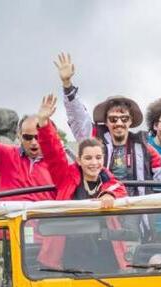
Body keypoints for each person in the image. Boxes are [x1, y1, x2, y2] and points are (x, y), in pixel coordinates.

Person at [54, 53, 161, 192]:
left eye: (124, 119)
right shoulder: (94, 139)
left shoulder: (143, 147)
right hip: (100, 208)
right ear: (106, 121)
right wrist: (67, 85)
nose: (119, 123)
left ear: (130, 121)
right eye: (113, 119)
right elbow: (78, 117)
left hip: (135, 210)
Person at [35, 94, 128, 270]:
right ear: (78, 160)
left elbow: (119, 188)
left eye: (98, 157)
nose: (94, 163)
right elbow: (53, 152)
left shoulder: (108, 179)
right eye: (88, 158)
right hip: (68, 252)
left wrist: (109, 194)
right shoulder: (66, 176)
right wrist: (43, 123)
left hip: (105, 253)